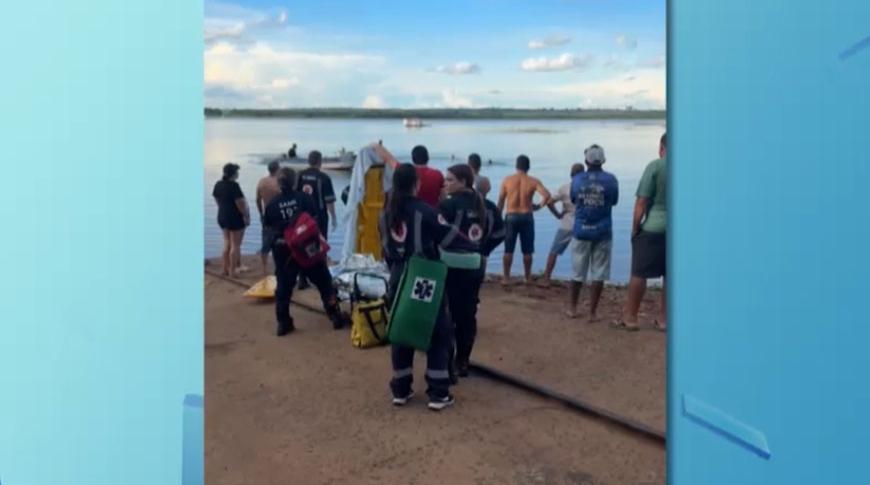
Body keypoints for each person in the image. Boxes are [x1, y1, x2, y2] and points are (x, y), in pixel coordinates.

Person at [381, 164, 456, 411]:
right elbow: (449, 238)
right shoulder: (426, 211)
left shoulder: (386, 213)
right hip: (424, 278)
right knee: (437, 331)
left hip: (397, 276)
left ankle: (401, 389)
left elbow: (386, 251)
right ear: (417, 183)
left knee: (401, 330)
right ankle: (438, 393)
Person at [262, 167, 348, 336]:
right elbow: (315, 220)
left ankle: (283, 322)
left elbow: (268, 229)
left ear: (279, 184)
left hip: (284, 250)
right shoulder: (305, 199)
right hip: (308, 248)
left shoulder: (272, 205)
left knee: (284, 288)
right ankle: (335, 314)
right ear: (295, 182)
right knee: (324, 282)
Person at [439, 164, 495, 378]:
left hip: (452, 268)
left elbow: (439, 233)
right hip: (475, 267)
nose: (446, 183)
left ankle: (449, 363)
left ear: (463, 182)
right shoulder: (487, 205)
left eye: (450, 180)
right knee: (468, 315)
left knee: (448, 315)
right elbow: (499, 231)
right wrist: (482, 250)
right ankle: (462, 361)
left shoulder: (448, 205)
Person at [617, 133, 667, 331]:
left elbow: (641, 202)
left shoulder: (655, 166)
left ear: (661, 148)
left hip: (654, 227)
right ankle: (664, 320)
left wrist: (634, 229)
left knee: (638, 272)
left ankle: (631, 317)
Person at [568, 146, 619, 321]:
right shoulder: (611, 180)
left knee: (577, 272)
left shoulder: (577, 179)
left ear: (586, 161)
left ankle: (573, 309)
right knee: (599, 273)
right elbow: (614, 202)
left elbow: (574, 199)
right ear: (603, 161)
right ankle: (592, 313)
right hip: (603, 232)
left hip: (581, 231)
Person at [497, 155, 551, 285]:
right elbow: (547, 195)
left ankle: (506, 278)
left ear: (516, 166)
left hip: (511, 216)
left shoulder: (507, 180)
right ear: (528, 167)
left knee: (508, 249)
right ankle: (527, 277)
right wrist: (538, 206)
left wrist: (497, 218)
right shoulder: (533, 181)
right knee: (527, 250)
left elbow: (500, 201)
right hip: (526, 216)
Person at [294, 150, 337, 290]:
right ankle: (323, 279)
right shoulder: (324, 178)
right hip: (318, 217)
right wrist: (334, 217)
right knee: (320, 246)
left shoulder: (299, 175)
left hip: (301, 217)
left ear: (308, 160)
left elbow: (295, 194)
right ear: (320, 161)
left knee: (303, 246)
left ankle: (302, 278)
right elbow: (329, 201)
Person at [540, 163, 586, 288]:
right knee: (581, 255)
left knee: (554, 252)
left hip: (566, 225)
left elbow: (549, 202)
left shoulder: (564, 188)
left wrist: (558, 215)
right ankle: (578, 281)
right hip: (582, 225)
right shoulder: (588, 189)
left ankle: (546, 279)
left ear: (571, 175)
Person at [212, 163, 251, 278]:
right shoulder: (234, 186)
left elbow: (216, 199)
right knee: (235, 245)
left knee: (226, 242)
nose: (238, 174)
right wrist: (246, 216)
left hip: (222, 216)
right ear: (233, 174)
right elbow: (240, 204)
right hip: (234, 218)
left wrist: (223, 208)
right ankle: (233, 271)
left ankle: (225, 269)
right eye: (237, 172)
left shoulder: (218, 184)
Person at [255, 160, 282, 276]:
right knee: (279, 242)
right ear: (277, 169)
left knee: (265, 243)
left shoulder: (262, 182)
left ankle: (263, 269)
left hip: (267, 214)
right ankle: (278, 267)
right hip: (279, 215)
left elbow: (257, 199)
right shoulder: (279, 182)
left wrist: (261, 213)